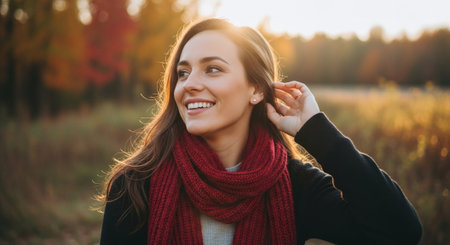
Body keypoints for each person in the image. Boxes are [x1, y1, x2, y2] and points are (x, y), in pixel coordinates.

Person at [99, 18, 422, 245]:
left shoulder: (295, 185)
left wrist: (317, 132)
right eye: (183, 73)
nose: (189, 84)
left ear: (255, 88)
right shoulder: (136, 186)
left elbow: (399, 231)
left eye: (212, 69)